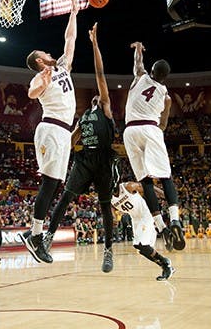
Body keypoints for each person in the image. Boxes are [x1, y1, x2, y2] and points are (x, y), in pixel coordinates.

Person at [42, 22, 119, 273]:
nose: (97, 95)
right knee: (65, 196)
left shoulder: (106, 107)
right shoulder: (84, 116)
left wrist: (95, 44)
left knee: (105, 206)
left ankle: (108, 251)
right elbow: (72, 138)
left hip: (104, 161)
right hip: (84, 160)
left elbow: (100, 74)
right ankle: (47, 237)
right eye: (95, 95)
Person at [18, 0, 79, 263]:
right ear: (40, 60)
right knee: (50, 183)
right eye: (45, 52)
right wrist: (40, 85)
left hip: (64, 132)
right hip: (52, 128)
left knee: (54, 184)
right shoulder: (40, 76)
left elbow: (70, 40)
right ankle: (34, 235)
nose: (50, 52)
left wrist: (74, 14)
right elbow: (32, 93)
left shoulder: (62, 67)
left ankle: (34, 234)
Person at [123, 41, 185, 252]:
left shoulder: (140, 76)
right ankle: (175, 220)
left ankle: (161, 226)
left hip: (130, 131)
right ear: (164, 78)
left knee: (145, 181)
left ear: (151, 71)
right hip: (151, 129)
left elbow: (138, 64)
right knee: (165, 177)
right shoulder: (165, 96)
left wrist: (139, 49)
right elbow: (164, 124)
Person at [112, 181, 173, 281]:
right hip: (135, 219)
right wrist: (113, 218)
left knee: (140, 244)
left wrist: (166, 195)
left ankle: (166, 263)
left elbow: (148, 188)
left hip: (146, 214)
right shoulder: (109, 198)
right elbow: (112, 211)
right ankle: (165, 264)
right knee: (141, 248)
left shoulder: (128, 187)